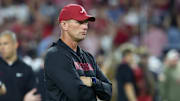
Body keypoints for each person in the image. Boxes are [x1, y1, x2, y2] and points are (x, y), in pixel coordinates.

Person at [44, 4, 112, 101]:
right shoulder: (55, 55)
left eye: (86, 23)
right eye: (79, 22)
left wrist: (92, 81)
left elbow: (109, 91)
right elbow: (78, 94)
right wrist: (97, 94)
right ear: (64, 25)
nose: (85, 27)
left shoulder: (88, 57)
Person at [0, 30, 41, 101]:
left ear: (15, 45)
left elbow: (34, 95)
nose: (2, 47)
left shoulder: (26, 69)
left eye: (5, 43)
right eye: (0, 44)